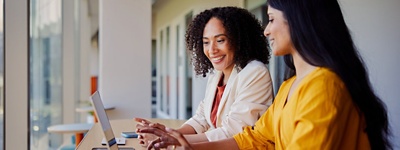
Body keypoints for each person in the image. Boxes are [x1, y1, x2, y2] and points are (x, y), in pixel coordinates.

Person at [137, 0, 392, 149]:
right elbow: (256, 137)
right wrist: (185, 143)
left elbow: (239, 132)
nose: (267, 31)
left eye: (271, 19)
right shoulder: (290, 86)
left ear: (299, 21)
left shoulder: (323, 86)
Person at [135, 6, 273, 145]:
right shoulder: (217, 74)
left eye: (220, 40)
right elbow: (202, 119)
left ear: (239, 40)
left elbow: (233, 133)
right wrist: (167, 133)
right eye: (206, 42)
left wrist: (172, 140)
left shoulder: (255, 72)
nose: (211, 50)